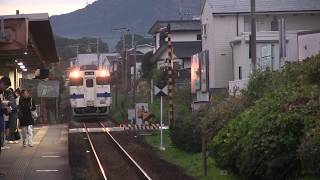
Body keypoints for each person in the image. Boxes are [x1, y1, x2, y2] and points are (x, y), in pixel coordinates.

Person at [0, 77, 19, 144]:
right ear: (2, 83)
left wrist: (6, 107)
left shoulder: (3, 92)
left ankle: (8, 139)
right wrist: (6, 108)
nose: (5, 89)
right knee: (11, 125)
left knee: (12, 126)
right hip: (4, 116)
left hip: (3, 117)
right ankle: (8, 138)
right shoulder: (6, 93)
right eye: (5, 87)